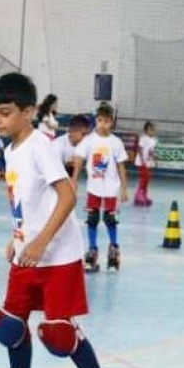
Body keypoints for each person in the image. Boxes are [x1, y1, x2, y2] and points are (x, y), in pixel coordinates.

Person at [0, 72, 130, 368]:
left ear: (28, 112)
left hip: (58, 257)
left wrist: (41, 241)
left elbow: (67, 196)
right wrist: (18, 237)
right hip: (28, 252)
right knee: (9, 325)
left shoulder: (40, 146)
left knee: (58, 333)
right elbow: (28, 202)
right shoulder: (11, 151)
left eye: (5, 112)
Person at [71, 103, 129, 272]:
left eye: (106, 121)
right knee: (92, 218)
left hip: (111, 188)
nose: (102, 124)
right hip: (93, 187)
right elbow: (79, 159)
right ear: (96, 120)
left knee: (110, 220)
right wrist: (74, 179)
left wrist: (124, 188)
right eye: (99, 120)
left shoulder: (116, 142)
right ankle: (92, 251)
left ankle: (113, 253)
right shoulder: (89, 140)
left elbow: (121, 166)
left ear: (112, 122)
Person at [133, 121, 157, 207]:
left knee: (147, 179)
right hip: (142, 161)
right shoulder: (144, 138)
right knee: (143, 179)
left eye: (153, 130)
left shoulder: (153, 140)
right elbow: (140, 149)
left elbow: (151, 150)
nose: (153, 131)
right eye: (151, 130)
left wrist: (153, 158)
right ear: (146, 130)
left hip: (148, 162)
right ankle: (139, 196)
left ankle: (144, 195)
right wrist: (142, 160)